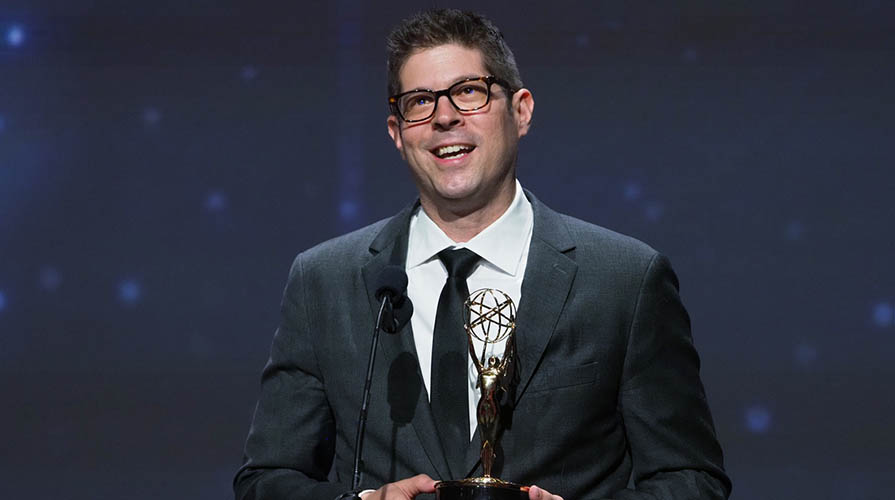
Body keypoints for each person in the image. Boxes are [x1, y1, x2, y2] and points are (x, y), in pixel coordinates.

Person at [234, 8, 731, 500]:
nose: (444, 117)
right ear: (397, 134)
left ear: (521, 111)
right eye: (420, 102)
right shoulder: (325, 281)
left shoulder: (625, 279)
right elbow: (265, 481)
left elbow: (691, 480)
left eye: (468, 92)